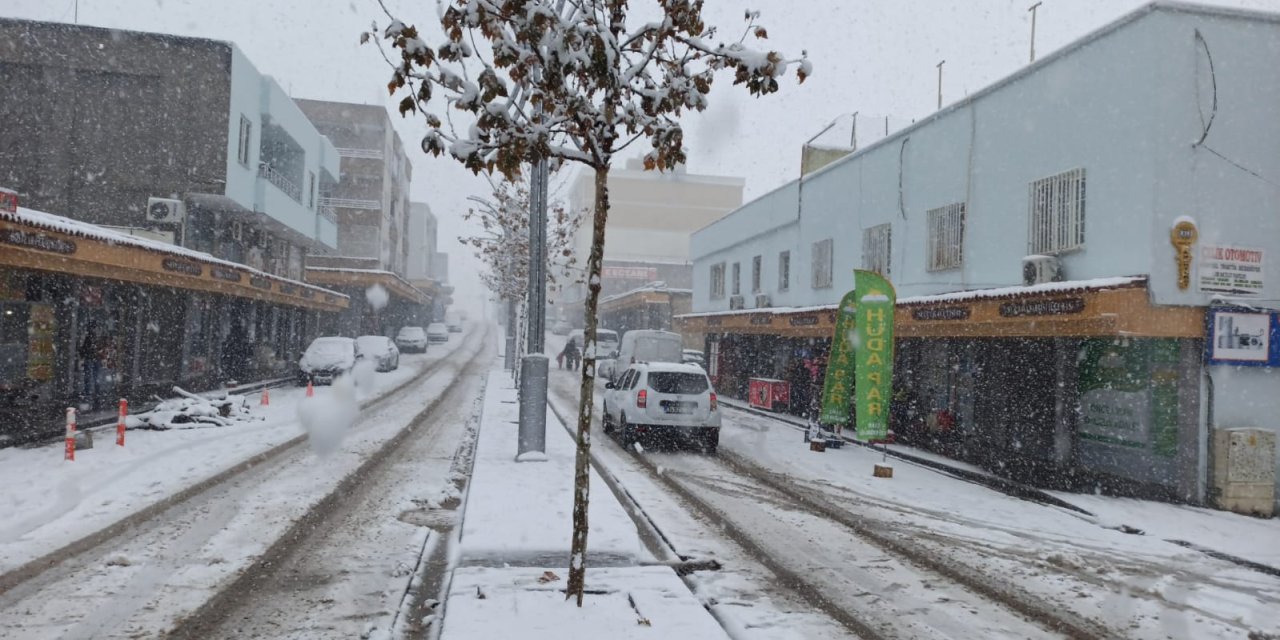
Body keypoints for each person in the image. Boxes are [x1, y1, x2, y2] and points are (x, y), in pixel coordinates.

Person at [78, 324, 101, 410]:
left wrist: (83, 354)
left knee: (89, 376)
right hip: (94, 358)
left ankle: (88, 393)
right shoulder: (96, 337)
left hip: (90, 358)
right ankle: (95, 392)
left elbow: (83, 348)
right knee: (95, 376)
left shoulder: (88, 336)